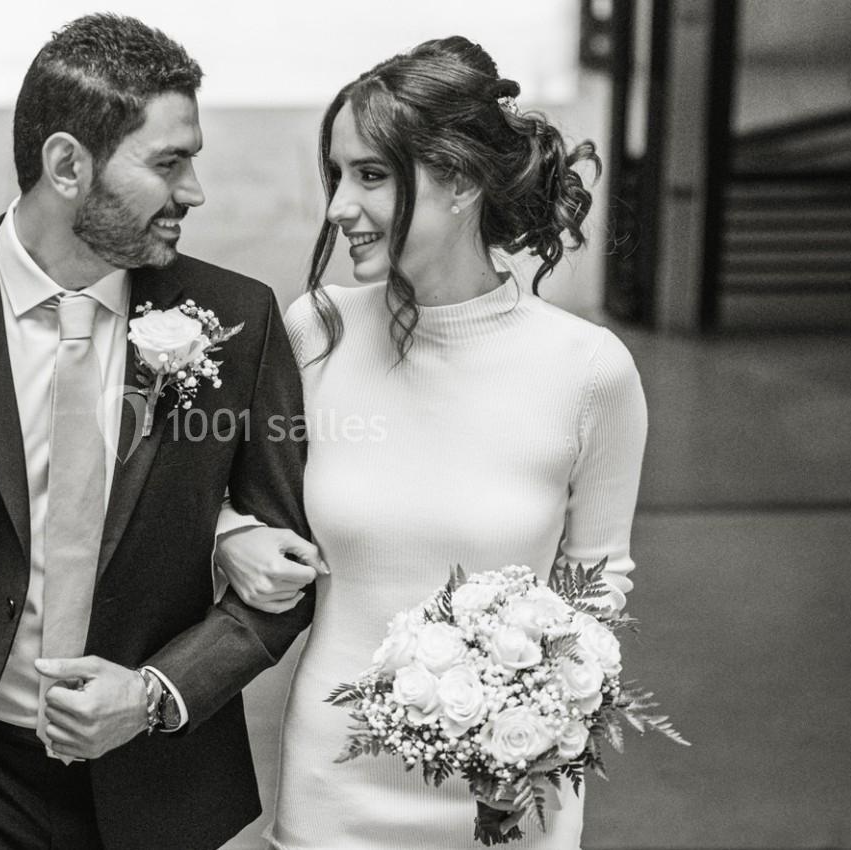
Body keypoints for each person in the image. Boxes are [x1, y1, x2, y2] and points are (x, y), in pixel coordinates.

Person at [0, 14, 317, 850]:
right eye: (168, 163)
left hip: (156, 786)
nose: (194, 192)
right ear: (68, 165)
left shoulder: (235, 320)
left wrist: (155, 693)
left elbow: (287, 579)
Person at [215, 36, 648, 849]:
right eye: (337, 175)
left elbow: (597, 591)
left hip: (509, 799)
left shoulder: (590, 370)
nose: (339, 206)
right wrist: (230, 535)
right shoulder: (317, 333)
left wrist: (532, 732)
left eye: (371, 175)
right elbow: (231, 497)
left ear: (460, 180)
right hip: (332, 795)